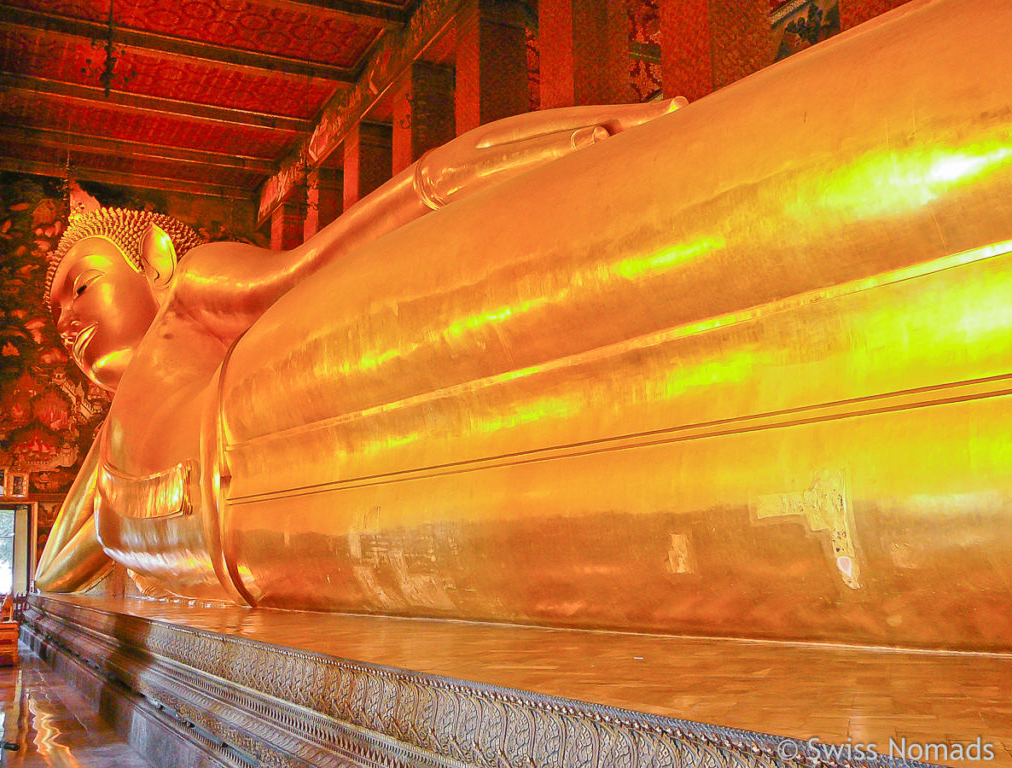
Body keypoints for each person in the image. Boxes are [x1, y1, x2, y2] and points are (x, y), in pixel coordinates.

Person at [36, 99, 687, 601]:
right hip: (277, 543)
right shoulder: (116, 452)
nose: (66, 321)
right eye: (58, 311)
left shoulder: (194, 289)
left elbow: (325, 256)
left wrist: (555, 149)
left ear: (156, 261)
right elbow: (55, 571)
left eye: (81, 286)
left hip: (283, 430)